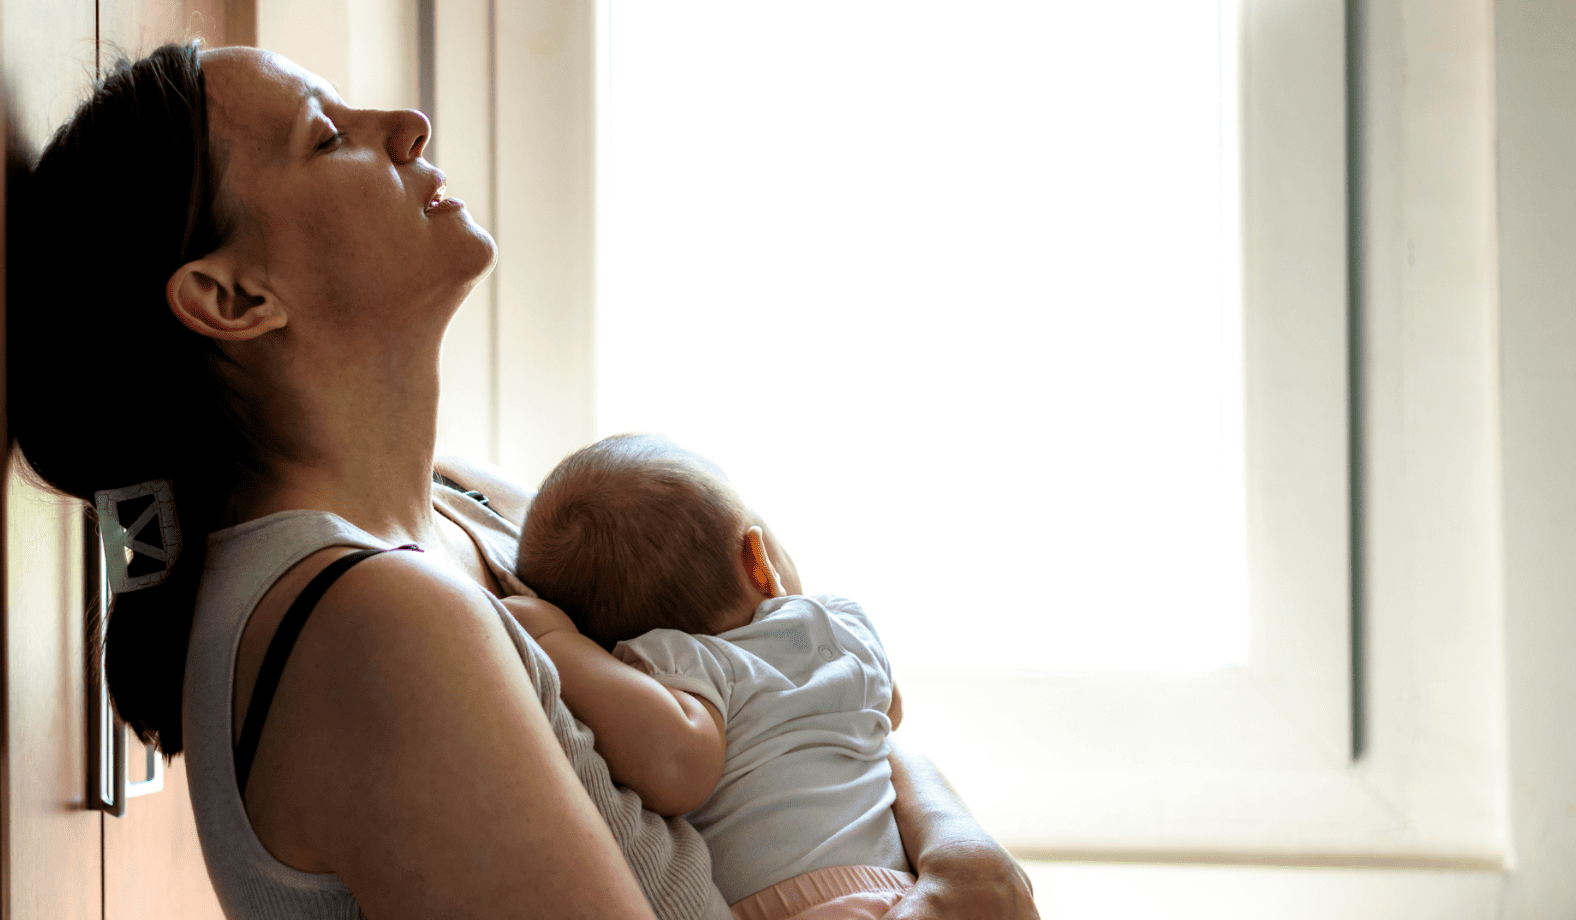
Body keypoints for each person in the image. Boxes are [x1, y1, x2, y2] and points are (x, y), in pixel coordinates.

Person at [5, 41, 1038, 920]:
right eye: (327, 136)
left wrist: (963, 848)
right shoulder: (374, 620)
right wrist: (960, 868)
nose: (404, 123)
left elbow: (797, 686)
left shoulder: (473, 505)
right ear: (233, 297)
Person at [514, 434, 914, 920]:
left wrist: (555, 640)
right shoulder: (840, 623)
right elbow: (889, 710)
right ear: (758, 560)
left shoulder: (680, 665)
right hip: (900, 886)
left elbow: (679, 769)